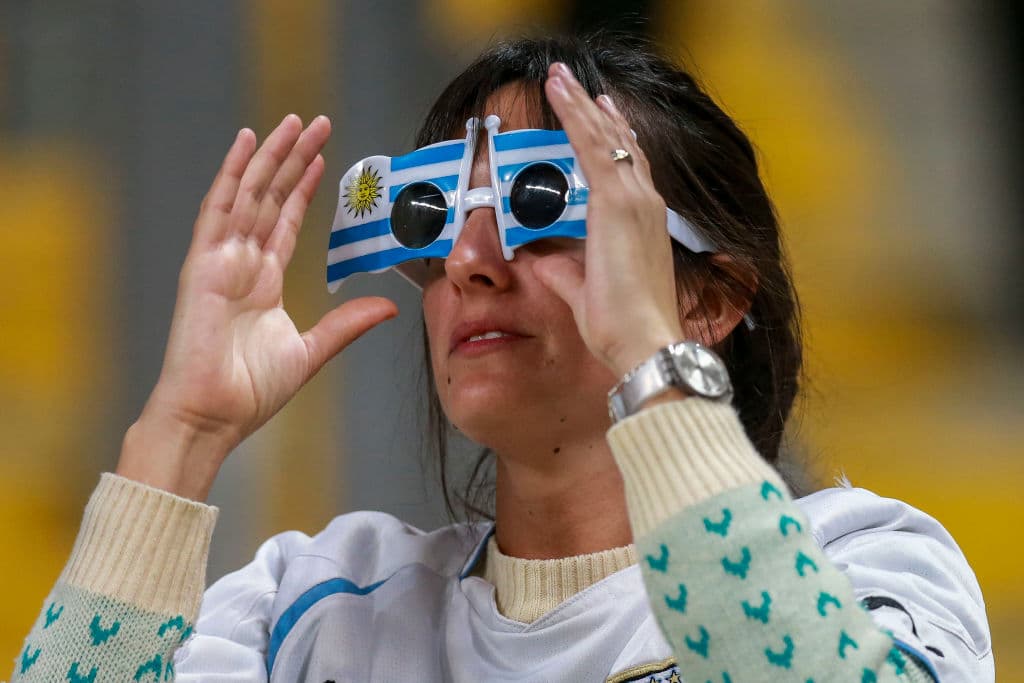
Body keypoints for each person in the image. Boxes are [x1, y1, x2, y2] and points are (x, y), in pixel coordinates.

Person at [10, 34, 992, 682]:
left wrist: (649, 360)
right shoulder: (311, 609)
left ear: (709, 298)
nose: (471, 261)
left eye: (541, 203)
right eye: (435, 216)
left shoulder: (862, 563)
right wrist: (180, 434)